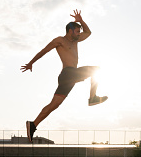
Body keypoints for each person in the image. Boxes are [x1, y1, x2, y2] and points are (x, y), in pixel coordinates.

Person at [21, 9, 108, 142]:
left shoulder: (76, 40)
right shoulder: (60, 40)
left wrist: (81, 21)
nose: (79, 34)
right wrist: (30, 63)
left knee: (54, 105)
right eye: (77, 31)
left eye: (79, 32)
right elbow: (43, 51)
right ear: (70, 30)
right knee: (96, 69)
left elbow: (88, 33)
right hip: (68, 73)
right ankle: (92, 98)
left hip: (70, 78)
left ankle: (33, 124)